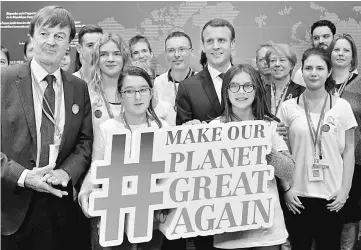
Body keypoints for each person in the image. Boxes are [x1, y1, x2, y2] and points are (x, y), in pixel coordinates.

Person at [1, 6, 93, 250]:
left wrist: (67, 172)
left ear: (69, 44)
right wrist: (23, 176)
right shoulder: (3, 81)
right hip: (12, 211)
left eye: (60, 36)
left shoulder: (78, 88)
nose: (51, 42)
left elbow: (85, 143)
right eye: (44, 33)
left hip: (61, 209)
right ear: (32, 37)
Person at [79, 66, 167, 250]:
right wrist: (86, 190)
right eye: (129, 91)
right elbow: (97, 167)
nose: (137, 97)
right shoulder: (108, 128)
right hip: (115, 218)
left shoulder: (163, 129)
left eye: (143, 90)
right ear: (119, 95)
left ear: (151, 93)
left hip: (151, 218)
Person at [278, 47, 357, 250]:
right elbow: (279, 152)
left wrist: (345, 191)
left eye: (320, 68)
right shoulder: (288, 108)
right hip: (298, 197)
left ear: (329, 72)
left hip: (332, 197)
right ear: (301, 72)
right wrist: (286, 189)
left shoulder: (342, 107)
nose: (314, 73)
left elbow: (349, 150)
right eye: (309, 68)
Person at [211, 63, 295, 250]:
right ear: (226, 91)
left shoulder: (269, 126)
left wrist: (266, 151)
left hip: (267, 233)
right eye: (234, 86)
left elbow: (289, 171)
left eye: (248, 86)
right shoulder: (213, 129)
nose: (241, 92)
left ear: (257, 91)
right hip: (227, 234)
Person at [328, 33, 361, 250]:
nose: (340, 54)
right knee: (327, 209)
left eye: (346, 50)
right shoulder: (319, 79)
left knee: (350, 211)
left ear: (353, 56)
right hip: (325, 159)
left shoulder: (359, 83)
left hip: (356, 157)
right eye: (336, 49)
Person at [176, 18, 235, 127]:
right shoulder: (187, 88)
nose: (215, 46)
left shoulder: (249, 80)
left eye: (221, 40)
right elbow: (181, 134)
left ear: (232, 44)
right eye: (209, 41)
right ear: (203, 46)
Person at [153, 31, 196, 126]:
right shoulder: (157, 83)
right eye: (171, 50)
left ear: (191, 52)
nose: (176, 55)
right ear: (165, 54)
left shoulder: (202, 82)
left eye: (182, 49)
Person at [265, 43, 305, 117]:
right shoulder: (261, 92)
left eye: (282, 60)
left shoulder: (302, 92)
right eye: (273, 60)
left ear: (292, 65)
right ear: (268, 65)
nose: (277, 64)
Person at [293, 19, 336, 86]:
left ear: (334, 38)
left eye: (325, 36)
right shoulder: (301, 74)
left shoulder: (343, 69)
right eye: (316, 38)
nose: (321, 41)